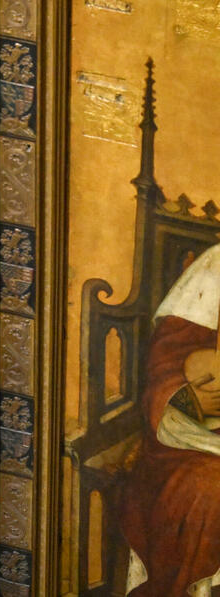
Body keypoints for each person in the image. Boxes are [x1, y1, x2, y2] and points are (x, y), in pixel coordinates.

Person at [120, 243, 220, 595]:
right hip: (192, 441)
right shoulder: (217, 264)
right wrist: (191, 399)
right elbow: (166, 364)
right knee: (207, 490)